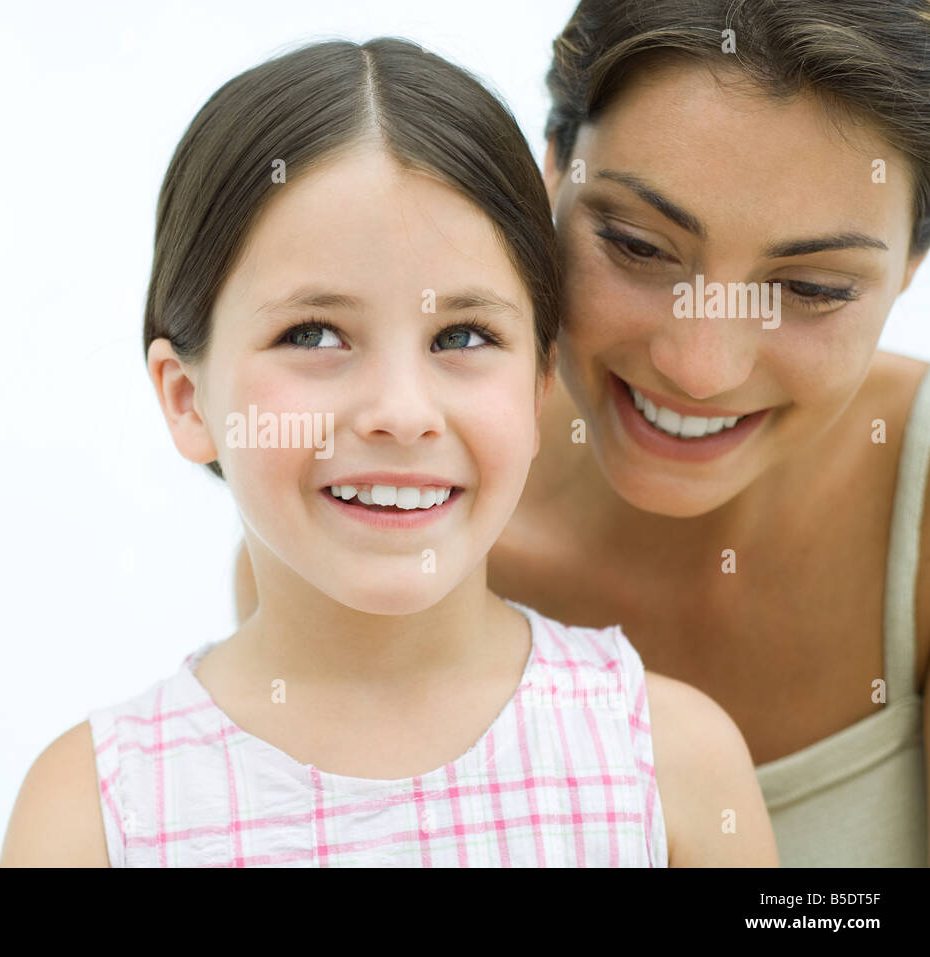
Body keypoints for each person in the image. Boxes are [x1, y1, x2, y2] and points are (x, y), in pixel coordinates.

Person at [0, 37, 777, 867]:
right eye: (314, 333)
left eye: (463, 335)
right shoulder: (94, 812)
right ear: (189, 399)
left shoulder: (668, 761)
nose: (401, 413)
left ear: (538, 382)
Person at [237, 1, 930, 867]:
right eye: (639, 246)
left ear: (908, 266)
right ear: (551, 169)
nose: (700, 364)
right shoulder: (374, 516)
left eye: (815, 288)